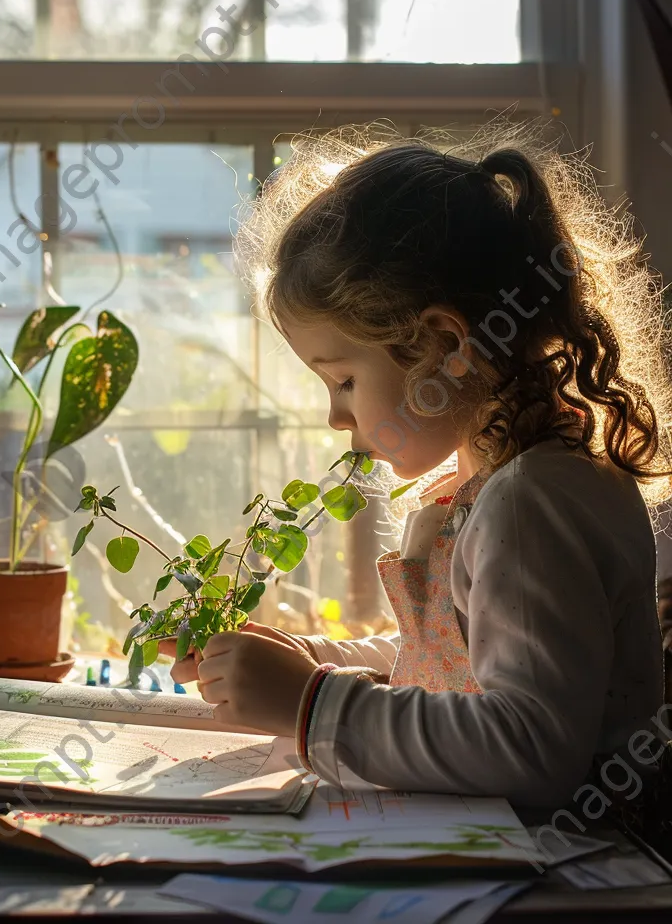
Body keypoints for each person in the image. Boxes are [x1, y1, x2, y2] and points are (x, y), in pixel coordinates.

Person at [167, 124, 672, 815]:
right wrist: (309, 662)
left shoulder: (531, 506)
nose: (334, 418)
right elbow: (451, 667)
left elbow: (530, 750)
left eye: (342, 380)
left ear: (442, 345)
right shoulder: (498, 481)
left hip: (574, 871)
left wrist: (312, 704)